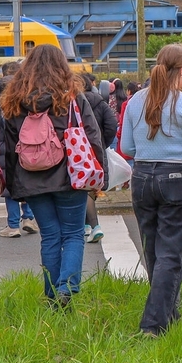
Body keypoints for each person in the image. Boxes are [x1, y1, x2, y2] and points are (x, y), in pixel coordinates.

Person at [1, 45, 105, 308]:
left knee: (50, 236)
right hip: (70, 177)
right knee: (72, 234)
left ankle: (51, 295)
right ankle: (66, 289)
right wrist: (98, 175)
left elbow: (9, 149)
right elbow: (92, 137)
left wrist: (13, 186)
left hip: (31, 178)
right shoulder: (71, 97)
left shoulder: (15, 100)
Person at [120, 43, 182, 336]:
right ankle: (153, 324)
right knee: (172, 253)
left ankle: (169, 312)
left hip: (142, 177)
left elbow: (126, 147)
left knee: (153, 249)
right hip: (175, 178)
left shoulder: (134, 102)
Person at [0, 61, 38, 238]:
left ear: (3, 75)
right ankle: (29, 218)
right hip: (27, 142)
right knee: (28, 180)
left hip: (3, 144)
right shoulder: (28, 90)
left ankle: (12, 225)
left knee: (9, 185)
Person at [80, 73, 119, 243]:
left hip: (79, 150)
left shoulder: (72, 101)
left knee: (83, 187)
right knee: (92, 186)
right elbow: (112, 126)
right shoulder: (100, 102)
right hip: (97, 148)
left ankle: (93, 226)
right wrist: (103, 142)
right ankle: (87, 224)